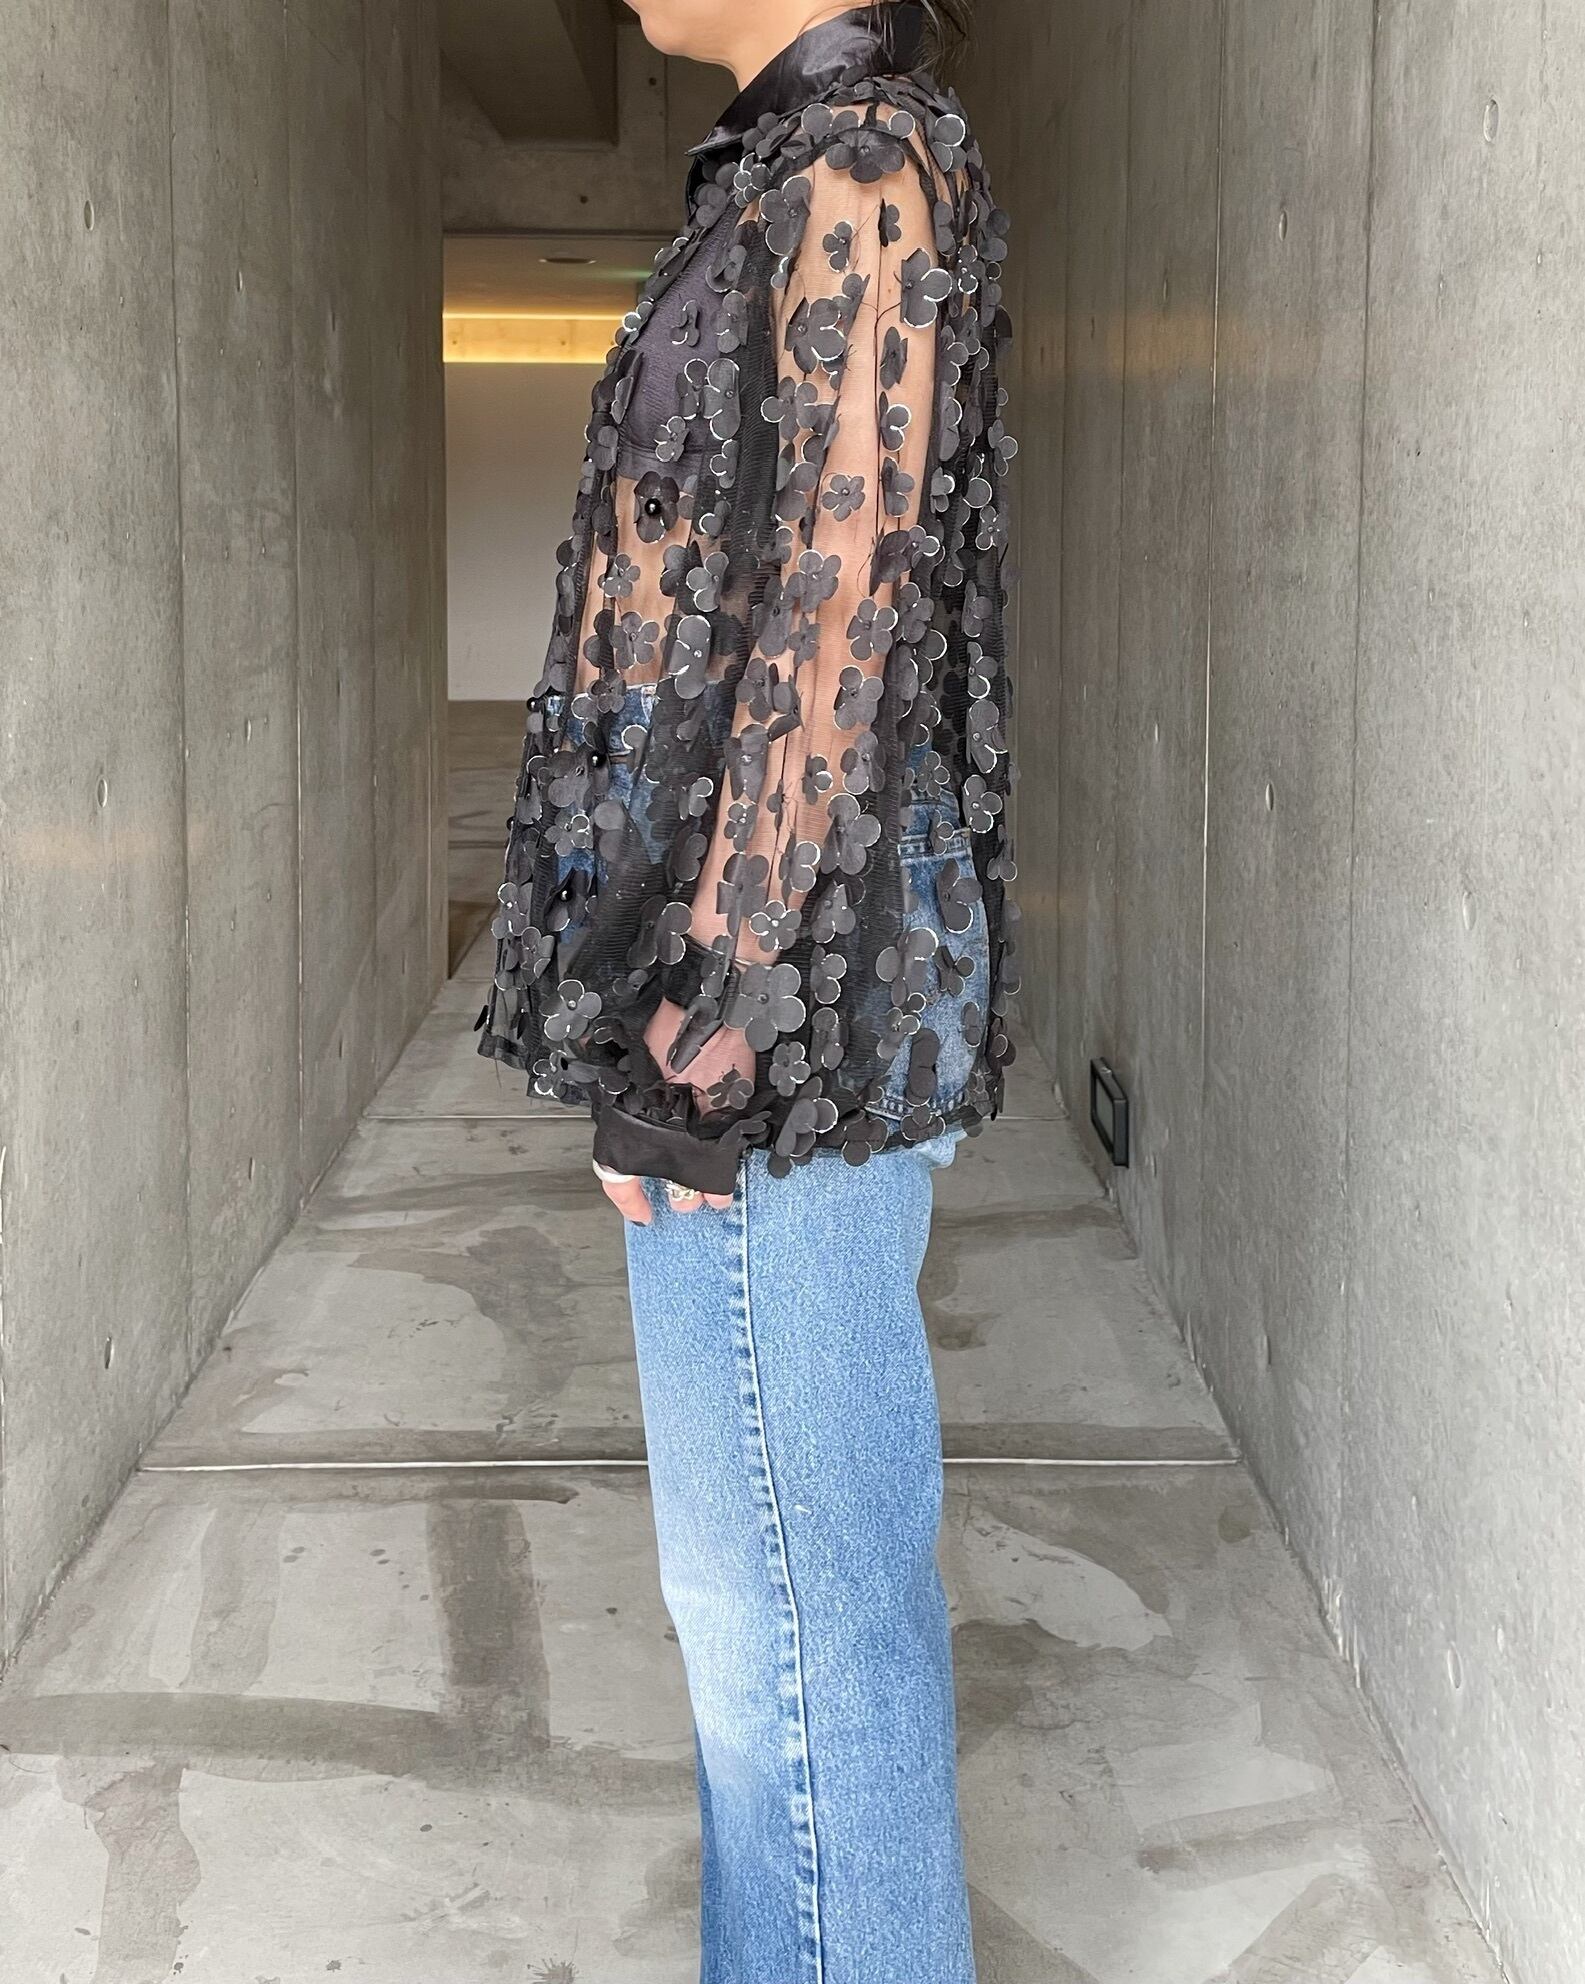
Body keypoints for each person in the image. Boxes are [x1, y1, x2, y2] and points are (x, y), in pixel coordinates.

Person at [477, 2, 1014, 1974]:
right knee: (766, 1617)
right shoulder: (809, 166)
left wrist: (709, 1009)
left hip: (799, 1006)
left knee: (798, 1624)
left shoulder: (859, 166)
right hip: (782, 975)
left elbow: (835, 610)